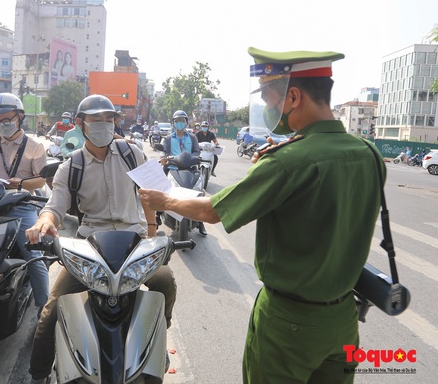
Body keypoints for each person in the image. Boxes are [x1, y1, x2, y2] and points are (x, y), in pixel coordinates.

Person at [139, 48, 383, 383]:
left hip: (289, 325)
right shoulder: (369, 154)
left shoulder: (287, 161)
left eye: (269, 98)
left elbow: (212, 211)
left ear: (293, 96)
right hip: (343, 320)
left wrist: (164, 199)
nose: (268, 108)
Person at [25, 94, 177, 384]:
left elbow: (156, 193)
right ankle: (38, 374)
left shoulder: (133, 153)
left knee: (165, 279)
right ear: (80, 124)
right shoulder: (72, 167)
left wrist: (153, 232)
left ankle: (159, 333)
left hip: (133, 243)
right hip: (90, 249)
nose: (104, 125)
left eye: (109, 119)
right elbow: (54, 207)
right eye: (96, 120)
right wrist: (44, 221)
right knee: (52, 309)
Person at [0, 92, 50, 311]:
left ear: (20, 117)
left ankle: (44, 310)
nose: (2, 124)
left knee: (35, 256)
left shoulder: (35, 146)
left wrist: (21, 183)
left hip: (22, 206)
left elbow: (41, 180)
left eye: (7, 118)